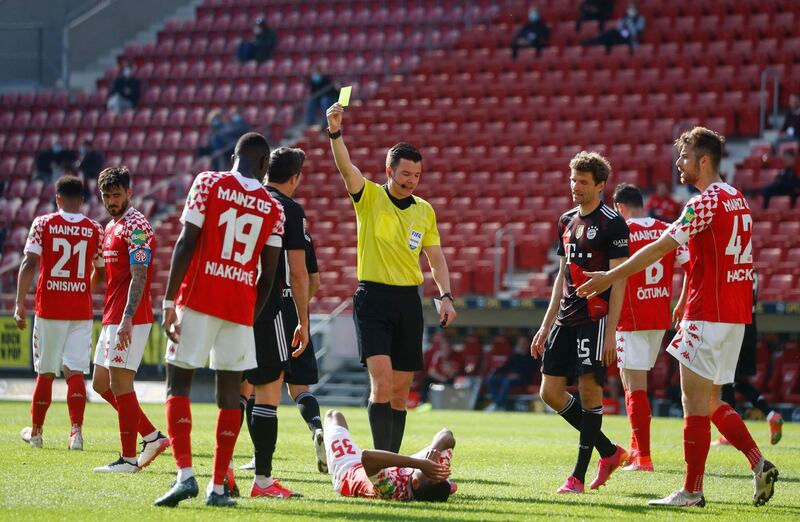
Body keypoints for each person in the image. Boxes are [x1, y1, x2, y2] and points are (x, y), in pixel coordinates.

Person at [578, 127, 779, 508]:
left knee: (693, 403)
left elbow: (659, 248)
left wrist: (611, 276)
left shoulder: (705, 202)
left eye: (685, 157)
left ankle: (692, 491)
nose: (678, 163)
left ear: (703, 161)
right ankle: (758, 463)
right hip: (735, 316)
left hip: (707, 312)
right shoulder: (739, 199)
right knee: (712, 400)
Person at [154, 132, 284, 508]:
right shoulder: (272, 209)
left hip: (197, 299)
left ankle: (184, 476)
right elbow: (270, 274)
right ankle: (217, 488)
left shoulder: (208, 182)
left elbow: (186, 242)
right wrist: (249, 316)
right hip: (240, 308)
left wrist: (167, 301)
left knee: (177, 383)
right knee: (229, 395)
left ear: (234, 156)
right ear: (264, 165)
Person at [326, 102, 457, 453]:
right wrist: (335, 132)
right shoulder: (368, 196)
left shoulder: (424, 210)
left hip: (408, 302)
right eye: (405, 175)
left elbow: (436, 260)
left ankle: (393, 461)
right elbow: (346, 167)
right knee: (381, 384)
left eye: (416, 176)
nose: (411, 181)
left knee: (401, 393)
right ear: (389, 170)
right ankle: (381, 462)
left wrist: (446, 296)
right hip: (373, 299)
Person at [530, 151, 630, 494]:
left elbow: (620, 279)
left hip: (595, 318)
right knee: (550, 392)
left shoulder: (612, 222)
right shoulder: (566, 221)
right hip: (565, 318)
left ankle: (577, 476)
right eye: (573, 179)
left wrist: (612, 332)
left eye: (583, 181)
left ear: (600, 185)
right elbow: (561, 276)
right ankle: (609, 450)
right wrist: (545, 325)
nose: (575, 186)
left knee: (589, 391)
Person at [242, 147, 322, 498]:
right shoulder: (288, 210)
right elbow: (306, 275)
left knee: (242, 388)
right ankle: (264, 476)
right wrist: (302, 316)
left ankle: (230, 468)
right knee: (283, 390)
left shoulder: (243, 201)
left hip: (237, 304)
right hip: (277, 307)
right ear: (295, 178)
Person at [15, 175, 105, 450]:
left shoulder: (43, 223)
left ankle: (38, 433)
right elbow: (101, 271)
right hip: (80, 311)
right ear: (82, 200)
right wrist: (82, 289)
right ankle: (75, 434)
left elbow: (29, 262)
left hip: (50, 310)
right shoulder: (94, 229)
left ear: (57, 199)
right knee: (76, 371)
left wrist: (19, 303)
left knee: (46, 372)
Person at [90, 167, 169, 473]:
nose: (111, 201)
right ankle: (152, 436)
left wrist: (126, 318)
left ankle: (128, 459)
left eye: (116, 195)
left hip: (130, 317)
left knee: (121, 383)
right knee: (100, 383)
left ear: (129, 193)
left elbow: (140, 276)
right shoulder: (110, 227)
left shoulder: (136, 227)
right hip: (112, 314)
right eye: (106, 196)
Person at [611, 183, 689, 472]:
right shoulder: (667, 228)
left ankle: (643, 457)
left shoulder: (622, 232)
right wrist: (680, 303)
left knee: (634, 387)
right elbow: (691, 267)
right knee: (636, 384)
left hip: (630, 317)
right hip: (658, 316)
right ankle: (636, 449)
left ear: (620, 207)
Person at [710, 272, 783, 447]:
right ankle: (770, 414)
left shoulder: (732, 270)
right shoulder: (754, 272)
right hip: (751, 327)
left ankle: (730, 432)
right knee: (735, 380)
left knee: (726, 379)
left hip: (736, 327)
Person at [323, 409, 453, 502]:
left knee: (333, 415)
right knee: (439, 446)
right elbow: (447, 434)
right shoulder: (436, 475)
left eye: (430, 472)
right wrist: (435, 450)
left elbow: (367, 457)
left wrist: (421, 464)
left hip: (350, 471)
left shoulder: (392, 489)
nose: (434, 467)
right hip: (394, 467)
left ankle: (323, 457)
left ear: (415, 483)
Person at [484, 336, 537, 412]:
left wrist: (517, 375)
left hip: (523, 379)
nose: (522, 344)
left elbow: (529, 371)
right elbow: (506, 367)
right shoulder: (515, 355)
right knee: (491, 379)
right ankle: (499, 405)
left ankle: (497, 405)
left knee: (507, 380)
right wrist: (495, 372)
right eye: (520, 343)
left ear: (528, 344)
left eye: (524, 343)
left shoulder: (531, 356)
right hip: (509, 377)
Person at [418, 335, 464, 408]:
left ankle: (448, 403)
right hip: (440, 378)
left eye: (447, 347)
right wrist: (441, 378)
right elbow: (431, 372)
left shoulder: (457, 356)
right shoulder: (438, 355)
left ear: (451, 347)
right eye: (444, 347)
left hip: (452, 380)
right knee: (426, 380)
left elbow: (453, 374)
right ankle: (422, 402)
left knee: (451, 381)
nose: (445, 350)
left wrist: (446, 361)